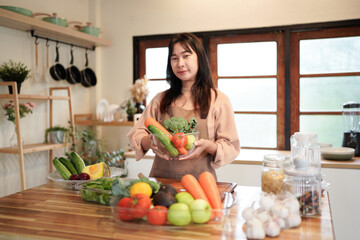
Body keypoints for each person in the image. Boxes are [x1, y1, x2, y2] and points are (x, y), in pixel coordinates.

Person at [127, 32, 240, 180]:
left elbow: (231, 146)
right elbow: (137, 133)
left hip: (202, 184)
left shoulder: (218, 99)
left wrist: (208, 146)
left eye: (186, 56)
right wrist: (150, 142)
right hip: (161, 182)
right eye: (174, 58)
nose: (180, 63)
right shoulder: (160, 99)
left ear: (199, 58)